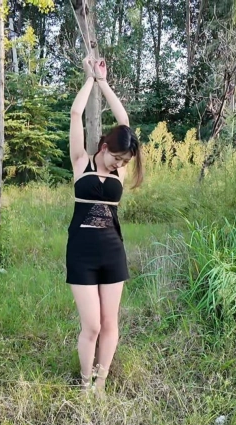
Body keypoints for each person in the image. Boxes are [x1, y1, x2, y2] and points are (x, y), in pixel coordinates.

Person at [67, 55, 144, 396]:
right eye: (116, 157)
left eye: (124, 161)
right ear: (103, 147)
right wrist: (89, 79)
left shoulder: (119, 171)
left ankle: (101, 384)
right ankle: (85, 384)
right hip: (81, 254)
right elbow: (76, 115)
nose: (118, 164)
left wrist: (105, 83)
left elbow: (123, 121)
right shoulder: (80, 162)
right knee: (92, 326)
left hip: (113, 252)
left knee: (111, 323)